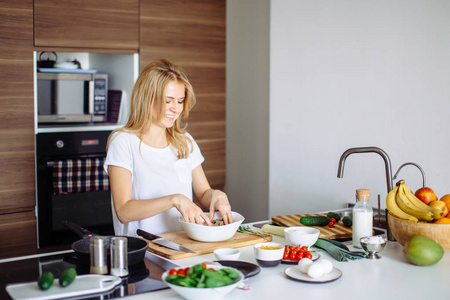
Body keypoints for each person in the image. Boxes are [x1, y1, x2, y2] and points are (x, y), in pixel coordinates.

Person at [104, 59, 232, 237]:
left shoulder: (184, 142)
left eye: (180, 101)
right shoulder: (123, 142)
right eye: (168, 101)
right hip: (142, 251)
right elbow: (124, 211)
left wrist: (216, 195)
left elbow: (203, 193)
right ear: (147, 99)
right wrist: (175, 199)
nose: (176, 108)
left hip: (183, 246)